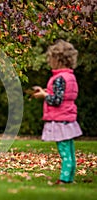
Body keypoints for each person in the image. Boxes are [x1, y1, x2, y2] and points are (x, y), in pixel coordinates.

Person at [32, 39, 82, 184]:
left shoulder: (59, 78)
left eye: (51, 59)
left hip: (60, 119)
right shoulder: (69, 76)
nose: (49, 62)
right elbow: (63, 96)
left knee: (64, 151)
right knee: (70, 150)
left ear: (58, 60)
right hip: (68, 117)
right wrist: (46, 91)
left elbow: (57, 100)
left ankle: (65, 179)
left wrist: (44, 95)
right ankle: (70, 177)